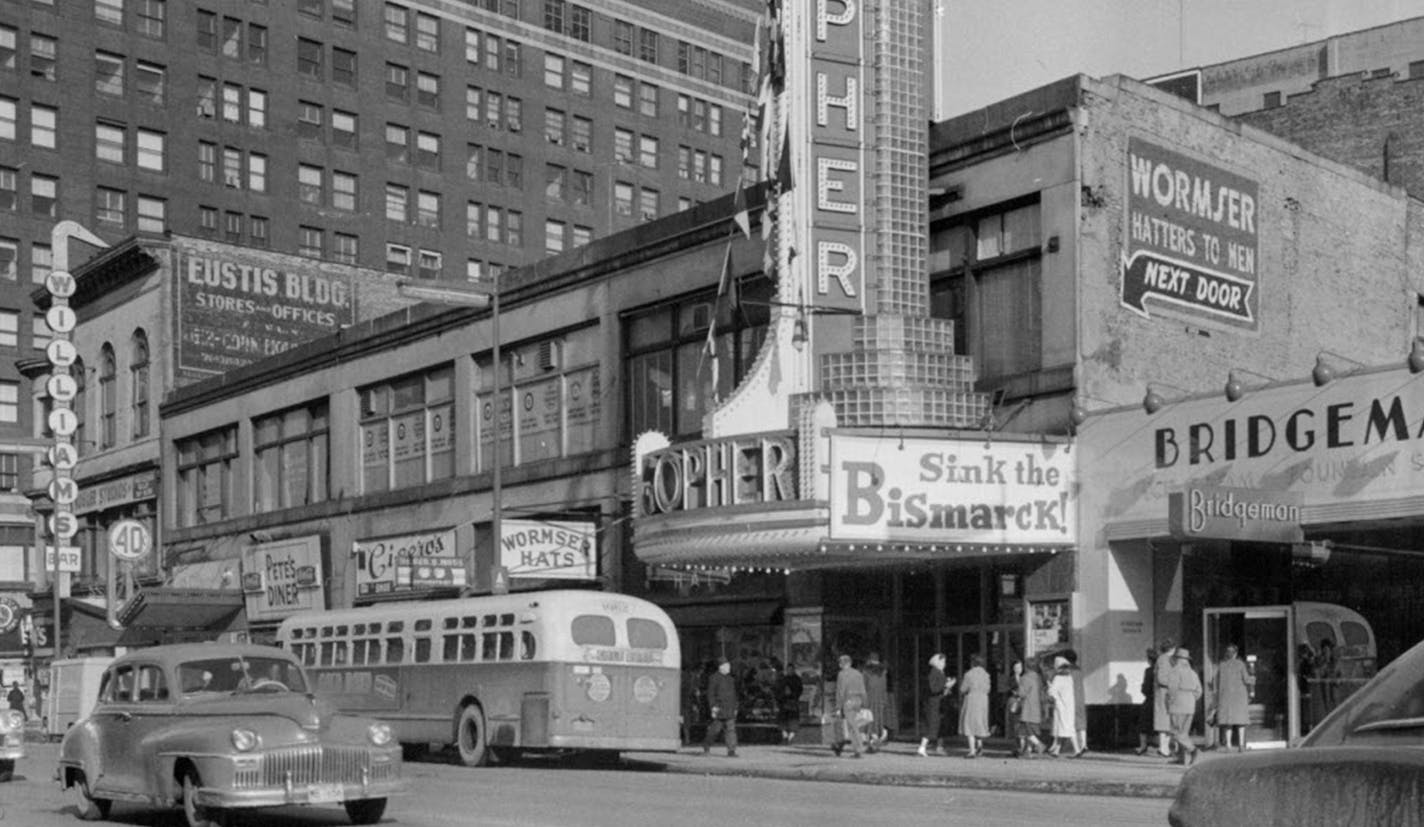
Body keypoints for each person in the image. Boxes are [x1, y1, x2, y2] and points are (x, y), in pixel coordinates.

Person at [1165, 647, 1203, 765]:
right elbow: (1199, 691)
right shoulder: (1193, 673)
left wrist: (1169, 701)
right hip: (1190, 704)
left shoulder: (1175, 671)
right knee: (1184, 733)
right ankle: (1182, 759)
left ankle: (1193, 750)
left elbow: (1172, 689)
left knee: (1176, 733)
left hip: (1178, 703)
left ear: (1177, 659)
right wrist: (1191, 698)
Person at [1213, 644, 1252, 752]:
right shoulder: (1240, 664)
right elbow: (1247, 679)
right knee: (1241, 721)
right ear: (1236, 653)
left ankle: (1228, 745)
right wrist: (1253, 678)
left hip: (1225, 697)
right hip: (1239, 697)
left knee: (1228, 722)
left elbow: (1215, 681)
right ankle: (1240, 745)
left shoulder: (1222, 665)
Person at [918, 653, 956, 756]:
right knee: (932, 725)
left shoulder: (940, 672)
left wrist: (947, 688)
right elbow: (933, 688)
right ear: (937, 661)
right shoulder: (934, 672)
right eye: (943, 661)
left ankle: (939, 747)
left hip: (940, 702)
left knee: (940, 725)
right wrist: (946, 685)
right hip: (933, 703)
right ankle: (922, 747)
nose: (945, 664)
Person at [832, 654, 867, 758]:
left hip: (848, 701)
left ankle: (858, 749)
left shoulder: (842, 674)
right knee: (854, 724)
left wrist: (838, 707)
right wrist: (864, 703)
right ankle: (857, 748)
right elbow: (863, 689)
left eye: (840, 663)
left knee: (852, 726)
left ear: (843, 664)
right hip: (858, 700)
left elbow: (840, 691)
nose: (839, 665)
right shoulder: (858, 674)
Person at [702, 657, 739, 757]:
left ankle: (731, 750)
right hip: (719, 708)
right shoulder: (714, 678)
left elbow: (734, 695)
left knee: (731, 730)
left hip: (729, 708)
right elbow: (711, 694)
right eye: (727, 666)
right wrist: (713, 706)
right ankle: (707, 745)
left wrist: (735, 707)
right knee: (715, 730)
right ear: (721, 667)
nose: (729, 668)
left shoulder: (731, 679)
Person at [958, 654, 991, 758]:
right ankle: (980, 746)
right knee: (980, 722)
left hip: (972, 699)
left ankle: (972, 751)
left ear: (973, 663)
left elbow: (963, 689)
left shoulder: (969, 674)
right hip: (983, 700)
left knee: (969, 725)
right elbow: (988, 689)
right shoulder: (986, 675)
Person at [1014, 656, 1047, 758]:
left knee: (1025, 731)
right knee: (1031, 730)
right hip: (1037, 708)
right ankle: (1028, 752)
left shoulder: (1025, 678)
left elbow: (1021, 693)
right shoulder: (1039, 678)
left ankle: (1039, 745)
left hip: (1027, 709)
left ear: (1026, 667)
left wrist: (1017, 686)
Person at [1045, 655, 1076, 757]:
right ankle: (1057, 750)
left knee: (1062, 728)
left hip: (1060, 706)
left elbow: (1051, 692)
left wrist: (1049, 685)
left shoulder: (1057, 678)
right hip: (1070, 707)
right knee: (1066, 728)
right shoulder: (1069, 678)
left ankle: (1077, 749)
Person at [1153, 639, 1176, 757]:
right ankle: (1163, 748)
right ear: (1171, 649)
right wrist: (1173, 683)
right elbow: (1162, 678)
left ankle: (1164, 747)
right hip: (1164, 694)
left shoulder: (1162, 659)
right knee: (1164, 721)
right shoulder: (1164, 660)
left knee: (1166, 722)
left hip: (1164, 694)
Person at [1063, 649, 1088, 756]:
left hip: (1071, 699)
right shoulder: (1079, 670)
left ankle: (1076, 748)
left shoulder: (1067, 671)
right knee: (1081, 723)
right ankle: (1084, 744)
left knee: (1071, 724)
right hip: (1080, 698)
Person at [862, 652, 889, 751]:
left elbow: (863, 686)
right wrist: (885, 700)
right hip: (880, 698)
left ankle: (872, 741)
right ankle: (876, 738)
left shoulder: (866, 671)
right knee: (878, 720)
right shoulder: (883, 672)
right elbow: (884, 687)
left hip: (869, 698)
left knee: (869, 720)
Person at [1135, 647, 1157, 755]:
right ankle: (1164, 747)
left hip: (1150, 700)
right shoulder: (1161, 670)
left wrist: (1143, 689)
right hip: (1160, 700)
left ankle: (1143, 746)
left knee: (1143, 724)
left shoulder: (1149, 671)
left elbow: (1145, 689)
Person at [776, 662, 804, 744]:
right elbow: (779, 691)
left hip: (792, 703)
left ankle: (789, 738)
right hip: (785, 703)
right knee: (784, 721)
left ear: (793, 670)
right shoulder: (784, 679)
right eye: (788, 670)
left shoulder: (796, 680)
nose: (789, 671)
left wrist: (791, 695)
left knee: (793, 722)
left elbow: (799, 691)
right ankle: (786, 737)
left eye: (791, 669)